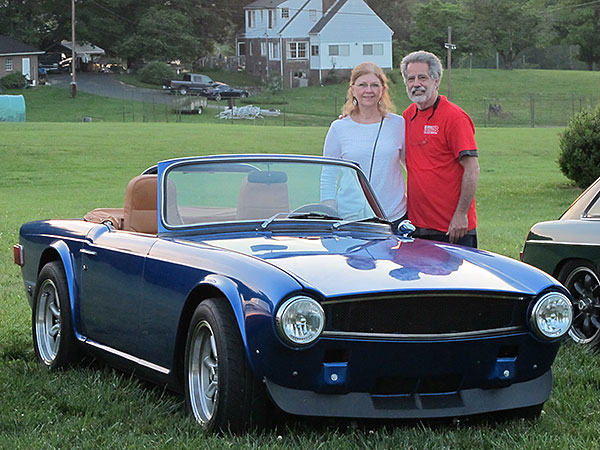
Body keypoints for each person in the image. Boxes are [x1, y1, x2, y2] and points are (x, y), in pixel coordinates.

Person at [400, 51, 480, 248]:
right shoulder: (407, 116)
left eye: (423, 77)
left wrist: (461, 215)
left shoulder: (454, 117)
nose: (416, 84)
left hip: (453, 229)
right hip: (417, 228)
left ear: (436, 81)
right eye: (411, 79)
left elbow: (472, 169)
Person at [321, 62, 407, 229]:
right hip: (351, 217)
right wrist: (329, 208)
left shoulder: (398, 124)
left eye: (374, 85)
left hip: (393, 215)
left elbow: (411, 166)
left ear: (382, 89)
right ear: (353, 89)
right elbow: (328, 174)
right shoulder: (339, 127)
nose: (369, 90)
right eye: (362, 85)